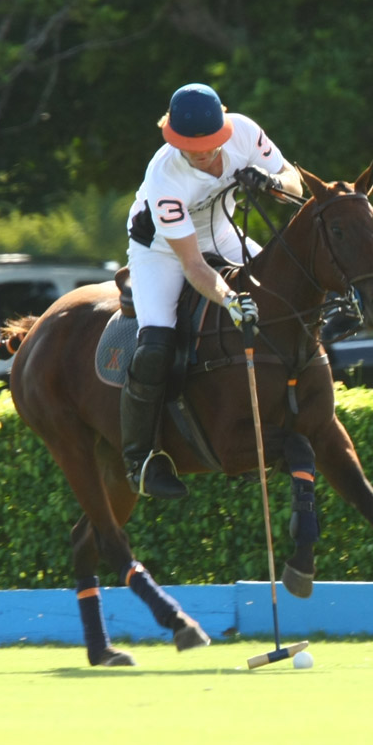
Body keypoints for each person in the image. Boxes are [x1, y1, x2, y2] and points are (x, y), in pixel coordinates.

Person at [122, 82, 303, 498]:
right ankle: (140, 460)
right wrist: (229, 300)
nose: (202, 153)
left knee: (286, 293)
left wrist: (271, 183)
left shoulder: (243, 131)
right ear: (172, 137)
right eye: (191, 145)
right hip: (163, 252)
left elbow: (294, 183)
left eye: (210, 143)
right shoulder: (164, 175)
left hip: (220, 232)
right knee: (155, 344)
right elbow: (193, 265)